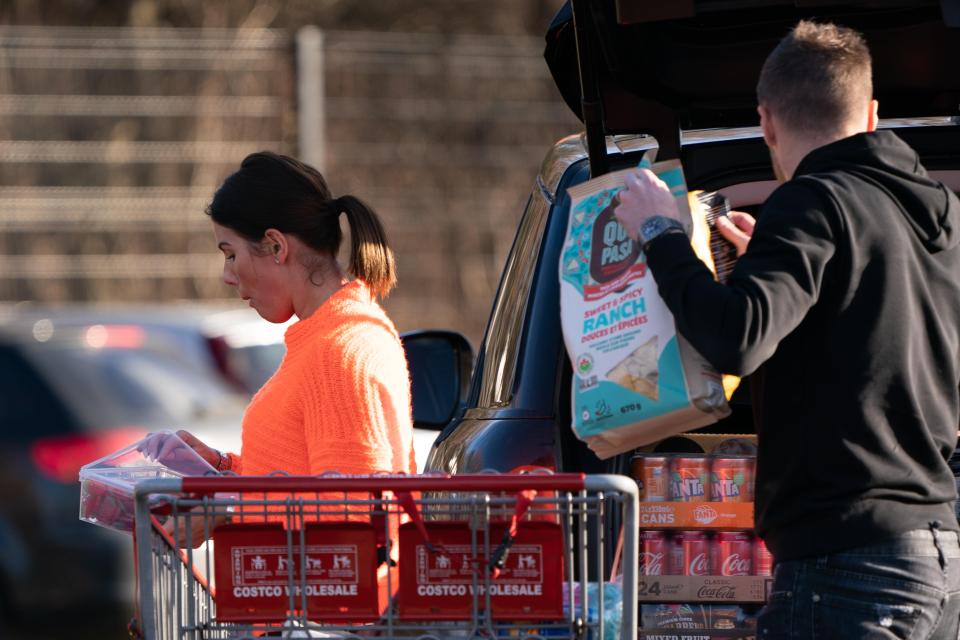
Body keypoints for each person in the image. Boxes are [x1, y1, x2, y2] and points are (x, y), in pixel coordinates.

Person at [614, 20, 960, 639]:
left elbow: (737, 339)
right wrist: (767, 271)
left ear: (766, 121)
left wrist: (661, 234)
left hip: (848, 565)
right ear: (873, 114)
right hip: (939, 556)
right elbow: (870, 338)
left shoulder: (813, 201)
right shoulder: (941, 220)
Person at [168, 151, 416, 541]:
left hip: (322, 604)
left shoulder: (342, 352)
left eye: (231, 254)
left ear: (276, 246)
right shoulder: (327, 337)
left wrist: (228, 507)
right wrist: (224, 470)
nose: (228, 275)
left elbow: (351, 523)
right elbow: (302, 478)